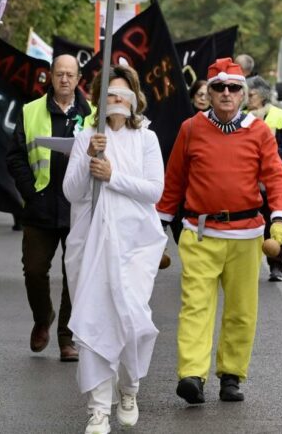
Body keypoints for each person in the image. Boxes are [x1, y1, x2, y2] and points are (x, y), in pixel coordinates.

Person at [157, 58, 282, 405]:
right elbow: (173, 183)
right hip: (200, 233)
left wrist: (278, 222)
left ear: (244, 94)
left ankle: (231, 375)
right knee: (195, 307)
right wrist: (157, 229)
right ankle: (192, 375)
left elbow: (276, 179)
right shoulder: (190, 129)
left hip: (247, 236)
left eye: (234, 88)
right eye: (219, 88)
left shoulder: (259, 131)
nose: (226, 94)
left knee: (241, 310)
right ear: (210, 93)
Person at [63, 64, 168, 434]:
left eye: (123, 94)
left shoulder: (146, 139)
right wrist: (89, 159)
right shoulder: (86, 136)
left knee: (134, 320)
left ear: (135, 99)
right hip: (90, 243)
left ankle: (130, 386)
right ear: (97, 98)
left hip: (135, 243)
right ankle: (97, 409)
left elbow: (154, 190)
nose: (116, 101)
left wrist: (113, 177)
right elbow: (71, 192)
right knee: (94, 321)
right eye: (109, 94)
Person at [6, 54, 92, 362]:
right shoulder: (30, 111)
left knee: (75, 275)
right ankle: (43, 317)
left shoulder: (93, 114)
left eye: (70, 74)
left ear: (79, 78)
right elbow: (14, 156)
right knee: (34, 270)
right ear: (51, 77)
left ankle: (66, 338)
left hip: (77, 208)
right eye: (59, 74)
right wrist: (30, 191)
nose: (65, 79)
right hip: (40, 207)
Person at [245, 76, 282, 282]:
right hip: (248, 180)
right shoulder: (241, 116)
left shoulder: (281, 115)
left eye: (251, 94)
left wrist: (269, 163)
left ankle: (276, 265)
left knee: (275, 223)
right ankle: (248, 266)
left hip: (275, 179)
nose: (247, 98)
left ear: (263, 95)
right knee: (250, 223)